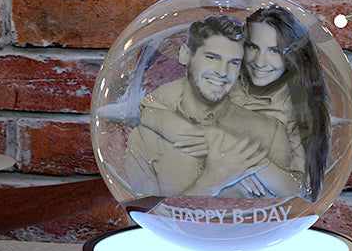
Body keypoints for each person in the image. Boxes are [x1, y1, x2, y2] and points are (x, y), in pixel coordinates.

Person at [125, 14, 301, 198]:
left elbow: (292, 202)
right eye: (211, 57)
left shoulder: (270, 133)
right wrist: (213, 182)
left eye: (233, 62)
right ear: (185, 55)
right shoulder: (145, 138)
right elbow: (148, 212)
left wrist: (233, 148)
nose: (222, 72)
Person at [233, 5, 331, 201]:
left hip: (265, 213)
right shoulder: (221, 81)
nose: (260, 62)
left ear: (293, 54)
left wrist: (247, 164)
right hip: (204, 210)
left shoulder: (298, 107)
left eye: (274, 50)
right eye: (253, 47)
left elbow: (303, 189)